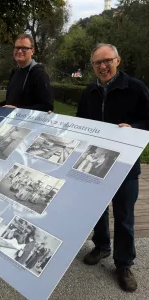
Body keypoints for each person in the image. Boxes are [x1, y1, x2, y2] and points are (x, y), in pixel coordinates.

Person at [77, 43, 149, 292]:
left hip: (125, 165)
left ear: (118, 60)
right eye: (97, 63)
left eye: (107, 61)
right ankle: (101, 246)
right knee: (97, 209)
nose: (102, 66)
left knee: (124, 215)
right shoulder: (89, 91)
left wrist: (135, 128)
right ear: (93, 66)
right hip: (95, 161)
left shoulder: (136, 88)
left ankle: (124, 263)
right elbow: (80, 123)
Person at [0, 34, 53, 112]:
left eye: (24, 48)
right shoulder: (14, 72)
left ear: (32, 51)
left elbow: (47, 107)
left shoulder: (39, 74)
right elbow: (12, 102)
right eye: (17, 47)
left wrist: (17, 110)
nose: (19, 51)